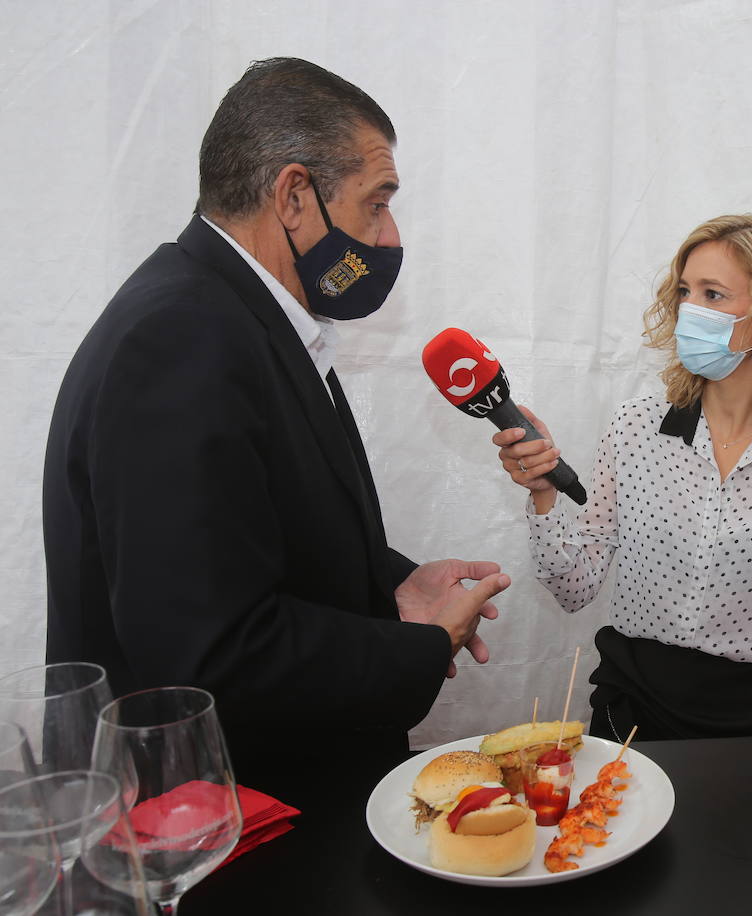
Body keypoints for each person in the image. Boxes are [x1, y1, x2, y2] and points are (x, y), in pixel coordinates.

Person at [43, 58, 510, 810]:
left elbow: (252, 533)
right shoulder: (182, 338)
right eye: (377, 204)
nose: (389, 236)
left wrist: (389, 586)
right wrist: (418, 648)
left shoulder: (234, 317)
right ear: (295, 195)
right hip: (228, 825)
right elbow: (210, 652)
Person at [493, 215, 752, 741]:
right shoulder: (636, 426)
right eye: (686, 292)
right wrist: (545, 494)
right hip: (635, 712)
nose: (690, 310)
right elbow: (575, 588)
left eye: (713, 295)